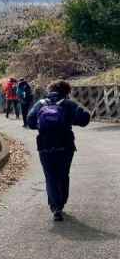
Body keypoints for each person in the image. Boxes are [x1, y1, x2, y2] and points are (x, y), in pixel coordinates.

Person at [27, 80, 90, 222]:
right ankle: (61, 203)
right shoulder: (68, 104)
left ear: (50, 90)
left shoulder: (41, 103)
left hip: (45, 145)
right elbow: (85, 118)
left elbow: (30, 121)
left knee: (50, 176)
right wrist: (70, 120)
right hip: (65, 144)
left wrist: (42, 125)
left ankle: (55, 207)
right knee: (63, 174)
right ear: (67, 91)